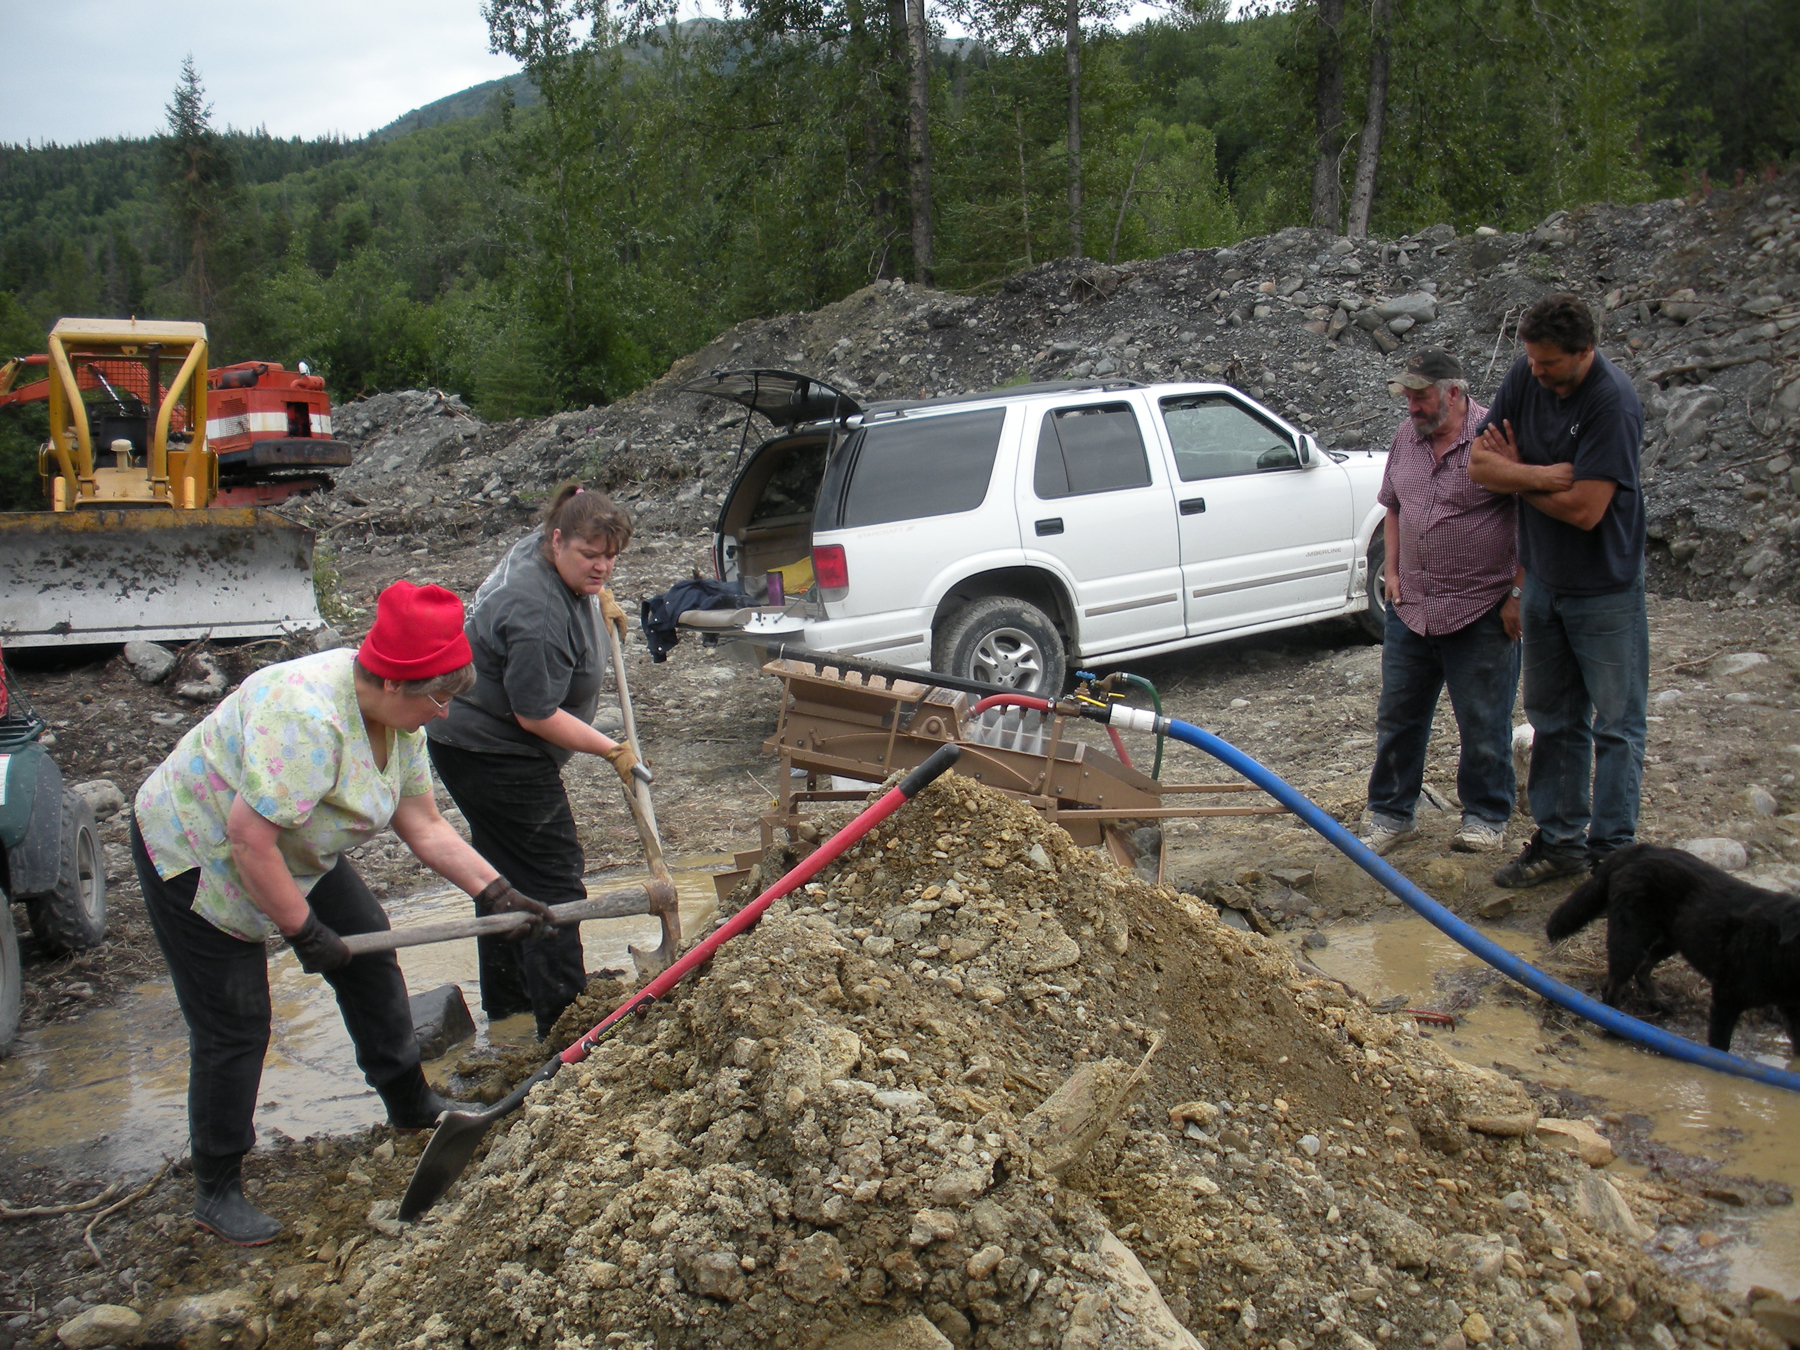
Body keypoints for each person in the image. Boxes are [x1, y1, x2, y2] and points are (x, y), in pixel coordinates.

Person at [131, 581, 554, 1246]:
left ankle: (408, 1099)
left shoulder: (401, 721)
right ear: (392, 682)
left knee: (369, 946)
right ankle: (216, 1186)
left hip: (293, 842)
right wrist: (304, 931)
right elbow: (247, 840)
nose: (446, 713)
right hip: (201, 845)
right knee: (235, 1020)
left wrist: (497, 891)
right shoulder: (307, 720)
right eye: (438, 697)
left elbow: (424, 826)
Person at [426, 485, 639, 1040]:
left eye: (610, 557)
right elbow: (536, 714)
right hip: (494, 751)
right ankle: (567, 1025)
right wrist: (610, 748)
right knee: (552, 876)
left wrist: (600, 598)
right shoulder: (536, 610)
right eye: (590, 556)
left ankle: (510, 1013)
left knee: (501, 875)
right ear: (557, 540)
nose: (601, 566)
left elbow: (580, 503)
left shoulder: (549, 542)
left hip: (469, 737)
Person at [1468, 292, 1648, 887]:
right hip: (1543, 580)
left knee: (1616, 724)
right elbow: (1479, 465)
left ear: (1585, 351)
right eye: (1533, 362)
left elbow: (1587, 509)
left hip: (1605, 590)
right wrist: (1541, 475)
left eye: (1549, 364)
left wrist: (1514, 475)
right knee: (1552, 716)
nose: (1537, 373)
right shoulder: (1527, 371)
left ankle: (1612, 854)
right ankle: (1560, 841)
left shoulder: (1612, 404)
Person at [1361, 348, 1523, 857]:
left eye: (1420, 395)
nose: (1411, 406)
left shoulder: (1495, 437)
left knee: (1483, 718)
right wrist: (1391, 569)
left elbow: (1531, 515)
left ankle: (1487, 815)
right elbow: (1393, 505)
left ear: (1453, 392)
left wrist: (1519, 592)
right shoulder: (1406, 438)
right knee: (1399, 716)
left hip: (1481, 606)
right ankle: (1391, 813)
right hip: (1413, 608)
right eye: (1406, 396)